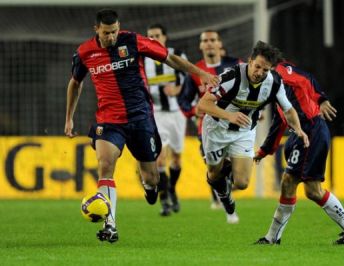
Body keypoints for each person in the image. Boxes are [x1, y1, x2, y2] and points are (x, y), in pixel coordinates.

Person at [64, 9, 219, 243]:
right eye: (106, 33)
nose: (111, 37)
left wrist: (200, 73)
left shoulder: (133, 40)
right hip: (108, 120)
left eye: (114, 31)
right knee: (105, 165)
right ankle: (111, 225)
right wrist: (69, 118)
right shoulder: (85, 52)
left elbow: (169, 57)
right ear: (96, 30)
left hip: (141, 118)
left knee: (152, 176)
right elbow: (75, 83)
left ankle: (150, 187)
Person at [253, 56, 344, 245]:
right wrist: (264, 151)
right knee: (309, 190)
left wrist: (320, 98)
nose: (260, 72)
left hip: (311, 131)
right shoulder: (277, 91)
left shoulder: (282, 71)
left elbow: (306, 78)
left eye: (262, 67)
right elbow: (279, 123)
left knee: (295, 183)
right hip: (302, 134)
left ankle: (272, 238)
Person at [197, 41, 309, 224]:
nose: (260, 73)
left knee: (242, 183)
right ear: (250, 61)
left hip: (244, 131)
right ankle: (224, 195)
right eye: (257, 67)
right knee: (213, 174)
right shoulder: (231, 77)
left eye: (265, 70)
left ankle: (227, 178)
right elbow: (203, 104)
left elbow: (288, 110)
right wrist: (229, 116)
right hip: (216, 128)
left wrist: (299, 130)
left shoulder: (274, 82)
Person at [178, 30, 241, 212]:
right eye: (205, 40)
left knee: (238, 174)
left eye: (213, 40)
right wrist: (193, 112)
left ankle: (223, 192)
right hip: (206, 129)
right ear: (200, 45)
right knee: (214, 167)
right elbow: (183, 100)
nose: (209, 43)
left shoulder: (236, 65)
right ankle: (219, 197)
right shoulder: (195, 71)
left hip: (234, 126)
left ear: (220, 44)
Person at [144, 23, 187, 216]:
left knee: (176, 159)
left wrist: (177, 90)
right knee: (160, 158)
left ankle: (172, 189)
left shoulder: (176, 53)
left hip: (176, 113)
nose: (153, 39)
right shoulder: (143, 59)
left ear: (165, 37)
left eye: (157, 35)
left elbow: (187, 80)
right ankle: (165, 201)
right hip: (157, 115)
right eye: (150, 36)